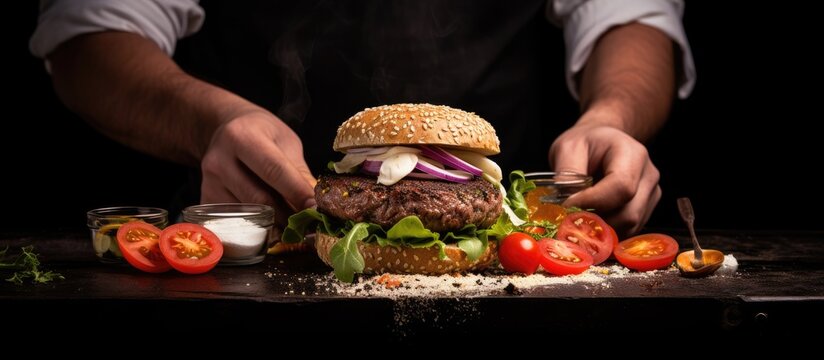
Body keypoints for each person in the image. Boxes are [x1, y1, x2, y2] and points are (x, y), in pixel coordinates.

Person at [30, 0, 695, 236]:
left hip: (514, 272)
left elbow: (632, 14)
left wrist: (612, 116)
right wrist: (211, 121)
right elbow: (86, 35)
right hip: (250, 241)